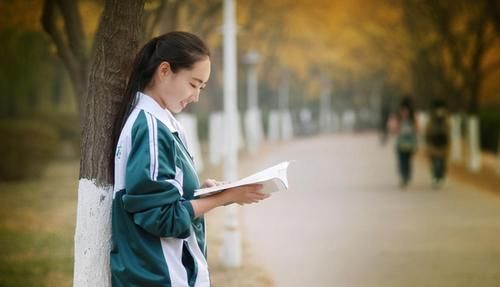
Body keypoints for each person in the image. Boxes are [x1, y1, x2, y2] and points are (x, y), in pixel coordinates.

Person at [110, 32, 269, 287]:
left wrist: (199, 194)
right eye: (193, 84)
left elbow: (162, 198)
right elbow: (161, 217)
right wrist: (224, 198)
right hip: (158, 277)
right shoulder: (150, 128)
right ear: (164, 71)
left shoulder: (165, 123)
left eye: (201, 87)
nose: (196, 96)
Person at [425, 99, 450, 189]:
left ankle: (440, 177)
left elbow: (448, 133)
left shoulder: (446, 120)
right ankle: (435, 177)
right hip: (433, 145)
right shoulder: (431, 120)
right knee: (435, 163)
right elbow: (427, 132)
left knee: (442, 163)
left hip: (443, 145)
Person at [394, 97, 418, 188]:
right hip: (400, 144)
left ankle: (407, 176)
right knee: (401, 162)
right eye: (403, 110)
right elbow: (394, 129)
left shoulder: (413, 119)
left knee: (407, 161)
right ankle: (403, 177)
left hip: (409, 144)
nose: (404, 112)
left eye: (406, 110)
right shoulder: (398, 118)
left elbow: (417, 129)